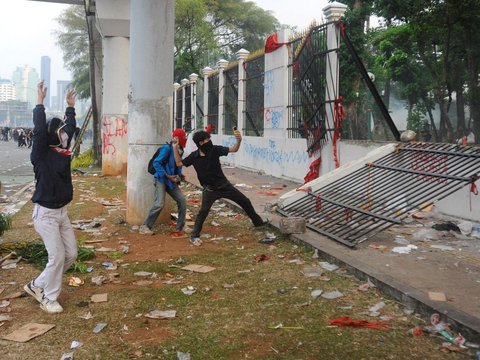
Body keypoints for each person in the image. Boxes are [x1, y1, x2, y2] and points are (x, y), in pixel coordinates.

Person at [23, 81, 78, 314]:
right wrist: (39, 103)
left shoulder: (63, 153)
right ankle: (48, 297)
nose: (65, 136)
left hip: (62, 212)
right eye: (61, 133)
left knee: (71, 255)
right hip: (45, 214)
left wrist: (70, 108)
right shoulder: (41, 155)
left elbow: (72, 130)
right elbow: (38, 131)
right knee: (57, 257)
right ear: (52, 136)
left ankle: (36, 285)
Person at [173, 129, 268, 246]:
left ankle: (258, 223)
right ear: (201, 143)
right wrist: (175, 148)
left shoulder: (215, 150)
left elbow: (234, 149)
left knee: (245, 202)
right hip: (209, 190)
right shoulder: (194, 156)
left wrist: (239, 140)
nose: (210, 141)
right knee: (203, 212)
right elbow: (179, 163)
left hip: (225, 186)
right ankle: (195, 235)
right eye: (207, 139)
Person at [139, 129, 191, 235]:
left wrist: (180, 175)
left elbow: (175, 165)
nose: (184, 139)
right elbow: (156, 163)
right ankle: (145, 227)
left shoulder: (180, 149)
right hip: (161, 179)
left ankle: (181, 226)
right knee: (159, 204)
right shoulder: (166, 149)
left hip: (171, 181)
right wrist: (167, 176)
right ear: (177, 138)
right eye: (183, 137)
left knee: (182, 200)